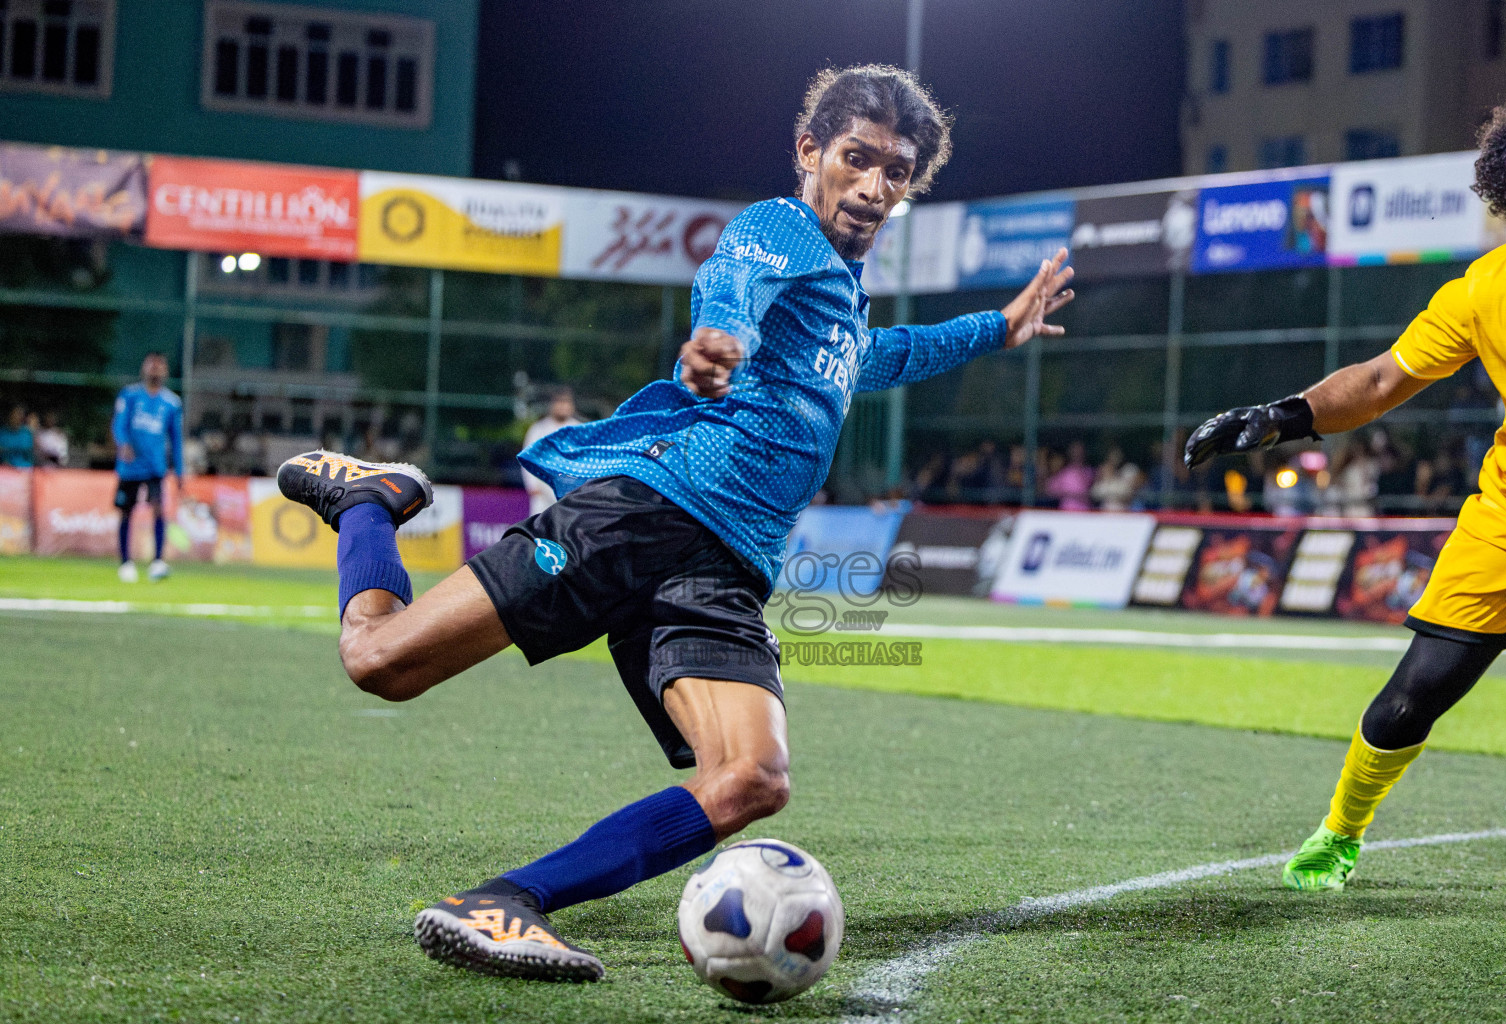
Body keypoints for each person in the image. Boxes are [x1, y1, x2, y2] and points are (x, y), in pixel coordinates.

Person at [275, 64, 1075, 981]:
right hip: (646, 514)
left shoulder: (844, 301)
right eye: (856, 159)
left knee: (753, 780)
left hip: (726, 569)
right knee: (379, 661)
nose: (873, 186)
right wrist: (714, 344)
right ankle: (370, 503)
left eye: (895, 172)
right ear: (810, 152)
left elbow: (882, 353)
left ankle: (504, 903)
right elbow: (733, 284)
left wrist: (995, 328)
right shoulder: (779, 228)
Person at [1184, 92, 1506, 891]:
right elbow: (1382, 379)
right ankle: (1340, 834)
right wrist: (1284, 416)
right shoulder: (1484, 291)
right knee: (1409, 700)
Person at [112, 352, 183, 583]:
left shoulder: (172, 403)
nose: (155, 368)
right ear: (144, 368)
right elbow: (118, 425)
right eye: (151, 364)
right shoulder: (130, 396)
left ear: (165, 371)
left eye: (159, 365)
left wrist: (180, 471)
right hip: (130, 467)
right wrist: (123, 444)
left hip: (155, 466)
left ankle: (157, 562)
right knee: (126, 512)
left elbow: (176, 439)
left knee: (159, 510)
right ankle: (125, 563)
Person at [520, 386, 583, 515]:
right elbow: (526, 457)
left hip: (570, 492)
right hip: (543, 492)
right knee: (540, 528)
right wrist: (531, 485)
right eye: (559, 402)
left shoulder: (579, 429)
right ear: (552, 404)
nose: (562, 406)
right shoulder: (538, 429)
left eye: (566, 402)